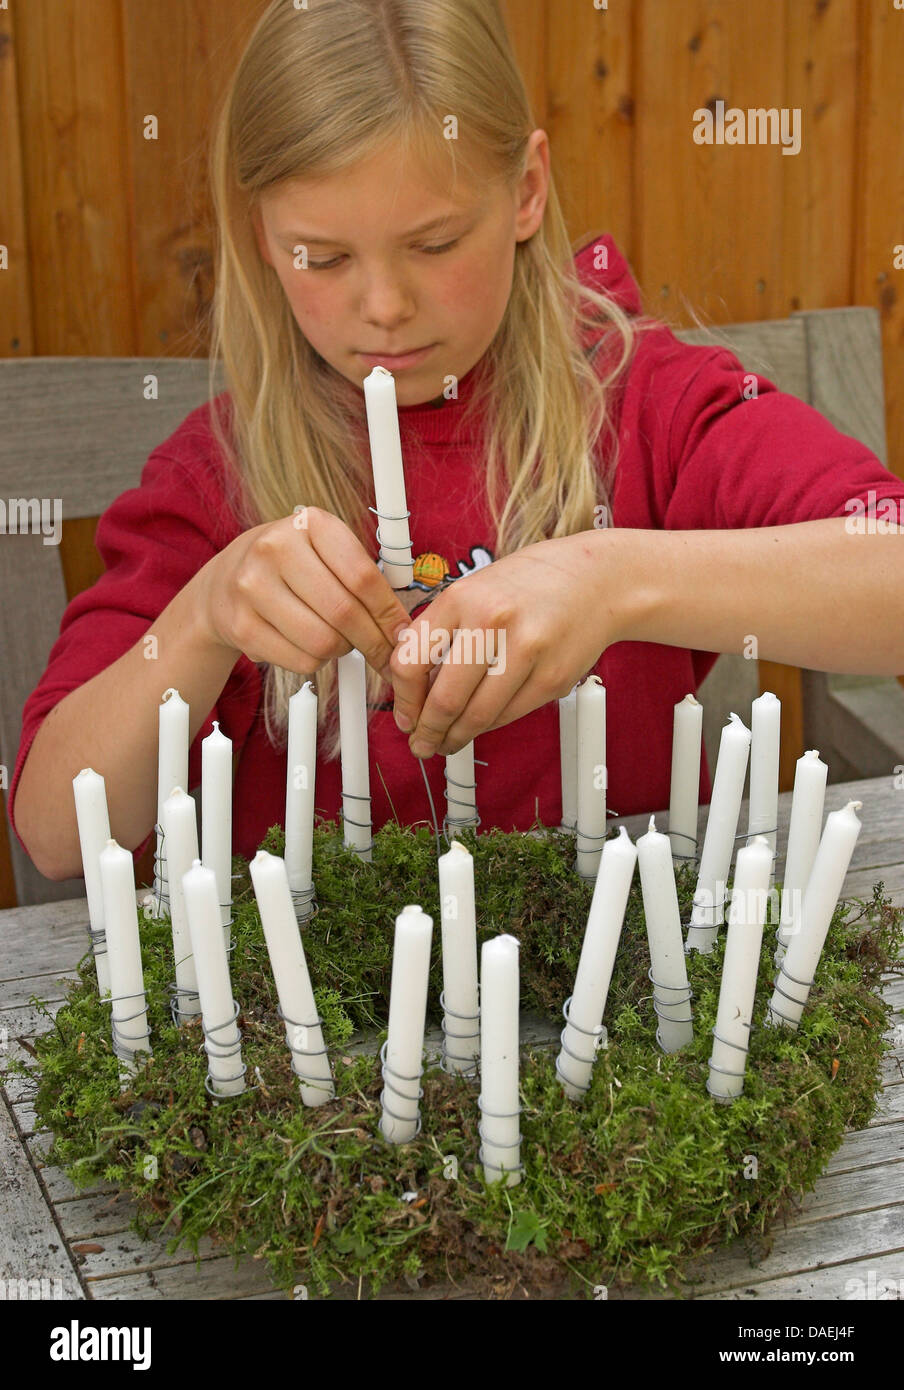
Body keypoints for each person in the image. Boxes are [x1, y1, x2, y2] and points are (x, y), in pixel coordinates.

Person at [9, 0, 904, 883]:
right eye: (323, 257)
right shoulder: (216, 481)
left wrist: (616, 579)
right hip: (321, 1008)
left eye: (434, 243)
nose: (386, 305)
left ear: (525, 190)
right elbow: (56, 833)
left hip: (632, 961)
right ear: (263, 241)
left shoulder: (643, 405)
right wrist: (204, 620)